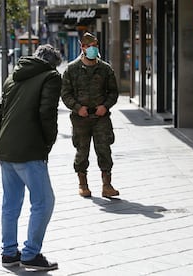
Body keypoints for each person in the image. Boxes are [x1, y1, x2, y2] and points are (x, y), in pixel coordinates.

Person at [0, 44, 62, 271]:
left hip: (6, 149)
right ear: (52, 63)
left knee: (10, 203)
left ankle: (9, 253)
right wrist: (48, 142)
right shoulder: (51, 77)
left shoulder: (13, 76)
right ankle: (31, 253)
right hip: (29, 149)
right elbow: (47, 113)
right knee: (44, 202)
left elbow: (0, 111)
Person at [61, 32, 119, 198]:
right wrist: (77, 107)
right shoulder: (72, 69)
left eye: (95, 45)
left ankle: (107, 185)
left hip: (101, 117)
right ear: (83, 47)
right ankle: (83, 184)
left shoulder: (105, 69)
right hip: (81, 119)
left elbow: (113, 92)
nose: (93, 49)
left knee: (104, 150)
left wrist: (105, 106)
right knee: (82, 151)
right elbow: (65, 94)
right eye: (89, 46)